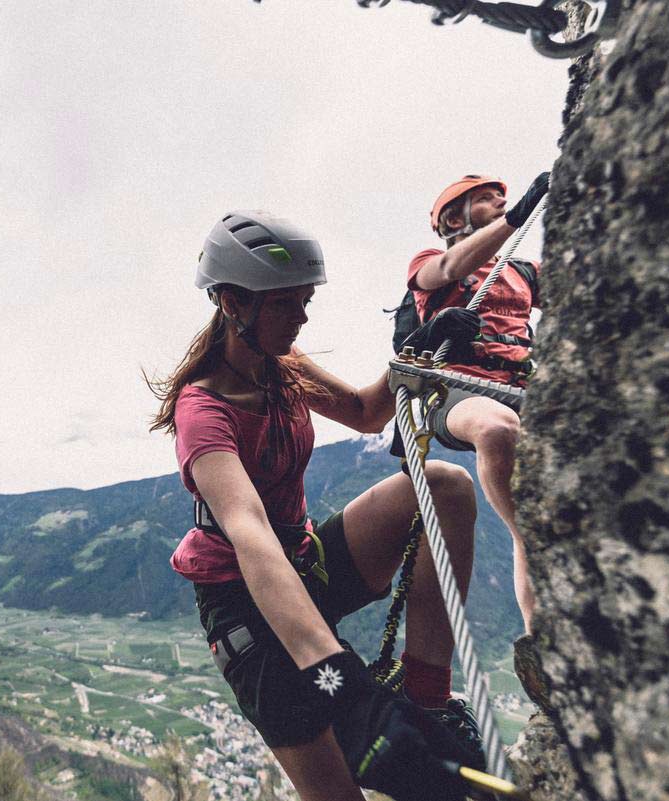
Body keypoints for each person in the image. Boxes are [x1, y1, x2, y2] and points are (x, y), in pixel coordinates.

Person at [150, 211, 484, 801]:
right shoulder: (201, 412)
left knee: (445, 486)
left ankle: (427, 695)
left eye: (305, 300)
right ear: (232, 302)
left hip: (306, 565)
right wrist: (338, 677)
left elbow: (364, 412)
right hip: (244, 607)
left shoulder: (286, 368)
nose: (303, 316)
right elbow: (249, 533)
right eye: (287, 303)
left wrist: (415, 348)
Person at [405, 173, 551, 707]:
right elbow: (447, 268)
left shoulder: (523, 271)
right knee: (495, 429)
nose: (502, 202)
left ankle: (541, 636)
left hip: (521, 386)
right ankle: (533, 539)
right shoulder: (430, 260)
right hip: (460, 392)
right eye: (486, 197)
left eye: (503, 197)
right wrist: (516, 218)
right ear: (453, 218)